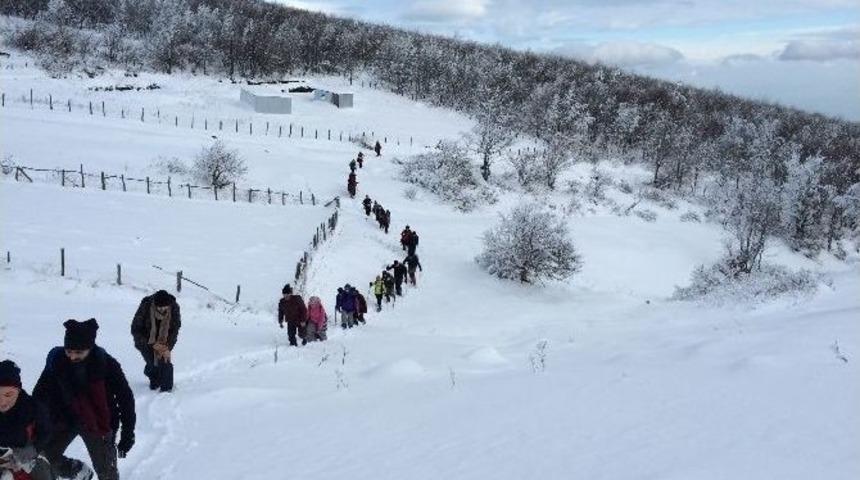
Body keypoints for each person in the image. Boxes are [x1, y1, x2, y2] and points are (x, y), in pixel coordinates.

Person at [34, 319, 135, 480]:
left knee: (106, 471)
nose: (72, 356)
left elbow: (125, 398)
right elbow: (41, 392)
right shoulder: (57, 360)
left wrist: (128, 433)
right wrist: (36, 419)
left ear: (90, 348)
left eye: (79, 352)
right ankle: (77, 470)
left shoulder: (106, 364)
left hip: (98, 422)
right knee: (45, 457)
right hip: (65, 417)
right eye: (69, 351)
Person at [0, 360, 52, 480]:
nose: (2, 402)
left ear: (18, 390)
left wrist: (31, 451)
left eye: (8, 394)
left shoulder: (33, 408)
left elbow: (46, 433)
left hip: (26, 459)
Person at [131, 290, 180, 392]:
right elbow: (135, 329)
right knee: (152, 365)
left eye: (165, 307)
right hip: (145, 340)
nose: (162, 310)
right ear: (155, 304)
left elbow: (175, 329)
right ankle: (151, 373)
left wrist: (167, 347)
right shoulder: (145, 306)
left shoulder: (174, 307)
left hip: (164, 341)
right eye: (159, 307)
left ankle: (166, 391)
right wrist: (153, 344)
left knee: (165, 362)